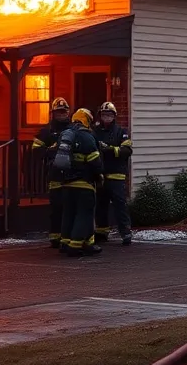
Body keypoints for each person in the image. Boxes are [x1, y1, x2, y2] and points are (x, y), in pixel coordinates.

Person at [57, 108, 104, 257]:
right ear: (87, 120)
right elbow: (94, 161)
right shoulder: (86, 136)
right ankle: (75, 245)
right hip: (84, 184)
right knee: (84, 214)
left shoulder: (65, 135)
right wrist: (99, 175)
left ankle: (65, 243)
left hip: (66, 184)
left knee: (68, 214)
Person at [32, 97, 71, 249]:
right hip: (54, 174)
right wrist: (50, 151)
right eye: (59, 112)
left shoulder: (73, 129)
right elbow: (36, 150)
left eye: (64, 112)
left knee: (69, 207)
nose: (62, 115)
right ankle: (55, 237)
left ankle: (67, 236)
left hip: (71, 175)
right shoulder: (46, 131)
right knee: (56, 207)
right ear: (53, 114)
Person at [93, 102, 134, 245]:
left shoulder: (121, 131)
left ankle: (126, 232)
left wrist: (110, 149)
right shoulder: (95, 132)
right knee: (100, 205)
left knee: (120, 205)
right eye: (104, 115)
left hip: (116, 175)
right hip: (101, 175)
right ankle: (102, 232)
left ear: (114, 116)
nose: (107, 117)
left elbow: (127, 151)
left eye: (109, 115)